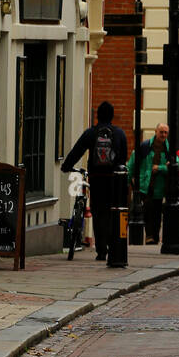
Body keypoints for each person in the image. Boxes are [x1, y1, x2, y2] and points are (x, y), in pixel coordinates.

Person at [62, 100, 128, 260]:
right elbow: (123, 158)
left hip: (96, 179)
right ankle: (114, 246)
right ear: (112, 116)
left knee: (98, 213)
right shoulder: (119, 133)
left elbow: (77, 150)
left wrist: (66, 165)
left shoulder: (91, 133)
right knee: (113, 212)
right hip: (114, 180)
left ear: (98, 115)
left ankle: (101, 250)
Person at [126, 122, 169, 244]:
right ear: (156, 132)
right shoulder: (144, 147)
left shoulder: (168, 149)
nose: (163, 134)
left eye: (165, 132)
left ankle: (154, 236)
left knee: (157, 214)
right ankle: (149, 236)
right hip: (145, 186)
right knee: (147, 212)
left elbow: (174, 167)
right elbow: (132, 165)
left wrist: (160, 168)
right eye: (161, 132)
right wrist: (127, 182)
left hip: (159, 187)